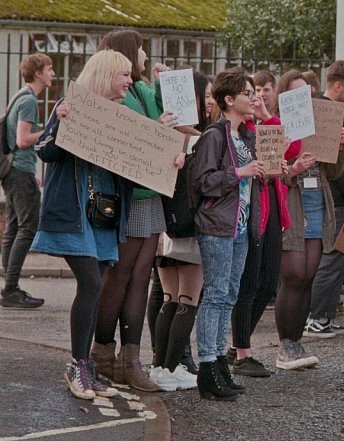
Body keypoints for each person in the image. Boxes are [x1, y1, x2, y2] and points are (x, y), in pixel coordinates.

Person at [32, 50, 182, 399]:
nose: (130, 81)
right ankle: (78, 366)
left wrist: (163, 151)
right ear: (106, 74)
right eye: (124, 75)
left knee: (96, 285)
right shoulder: (72, 105)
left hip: (105, 215)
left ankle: (87, 367)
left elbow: (134, 171)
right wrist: (59, 124)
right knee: (90, 283)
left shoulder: (119, 117)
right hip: (75, 214)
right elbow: (45, 151)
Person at [92, 29, 179, 392]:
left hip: (153, 193)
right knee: (121, 274)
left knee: (142, 276)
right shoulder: (115, 95)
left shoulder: (142, 90)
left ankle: (130, 358)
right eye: (141, 48)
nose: (144, 55)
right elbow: (125, 141)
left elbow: (174, 122)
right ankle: (102, 353)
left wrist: (164, 86)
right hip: (129, 196)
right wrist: (154, 133)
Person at [190, 67, 266, 401]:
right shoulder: (214, 136)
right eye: (248, 93)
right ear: (229, 99)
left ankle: (220, 360)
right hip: (218, 225)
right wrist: (241, 172)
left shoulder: (246, 136)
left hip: (240, 225)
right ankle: (207, 365)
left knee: (230, 294)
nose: (254, 98)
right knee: (216, 294)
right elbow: (203, 181)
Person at [273, 70, 344, 369]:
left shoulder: (319, 125)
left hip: (317, 205)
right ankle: (285, 345)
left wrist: (340, 147)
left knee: (307, 279)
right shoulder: (275, 126)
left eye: (306, 93)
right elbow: (269, 173)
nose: (302, 99)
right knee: (291, 276)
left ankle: (297, 343)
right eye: (295, 93)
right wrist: (293, 169)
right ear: (284, 97)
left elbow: (335, 172)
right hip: (293, 205)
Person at [149, 72, 216, 392]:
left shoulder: (162, 135)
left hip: (163, 226)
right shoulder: (201, 140)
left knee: (168, 297)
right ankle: (172, 367)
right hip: (190, 227)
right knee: (188, 298)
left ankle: (159, 366)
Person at [228, 81, 291, 379]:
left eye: (257, 93)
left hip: (273, 210)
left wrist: (266, 115)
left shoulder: (260, 126)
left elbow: (290, 144)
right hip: (254, 213)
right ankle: (242, 351)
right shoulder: (238, 132)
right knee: (249, 284)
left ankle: (237, 343)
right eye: (250, 94)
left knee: (267, 285)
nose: (255, 98)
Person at [305, 61, 344, 337]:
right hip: (337, 200)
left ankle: (325, 316)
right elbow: (339, 166)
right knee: (331, 261)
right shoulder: (326, 113)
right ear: (338, 85)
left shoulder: (324, 111)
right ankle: (316, 318)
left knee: (337, 261)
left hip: (337, 198)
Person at [1, 52, 54, 309]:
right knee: (26, 228)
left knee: (13, 229)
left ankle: (10, 288)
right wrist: (50, 131)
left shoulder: (19, 95)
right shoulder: (29, 100)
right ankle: (10, 288)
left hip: (14, 171)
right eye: (49, 68)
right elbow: (23, 139)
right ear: (37, 73)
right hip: (20, 171)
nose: (53, 73)